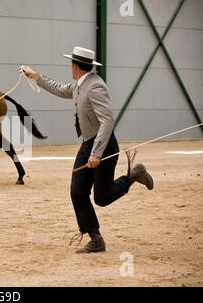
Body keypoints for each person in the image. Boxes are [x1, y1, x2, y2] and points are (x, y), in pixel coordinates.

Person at [20, 46, 154, 253]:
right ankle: (96, 239)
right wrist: (35, 76)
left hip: (104, 145)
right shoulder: (80, 84)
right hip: (88, 144)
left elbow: (107, 121)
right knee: (77, 191)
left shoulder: (95, 87)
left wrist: (97, 153)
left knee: (102, 198)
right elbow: (59, 88)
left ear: (74, 65)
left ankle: (134, 175)